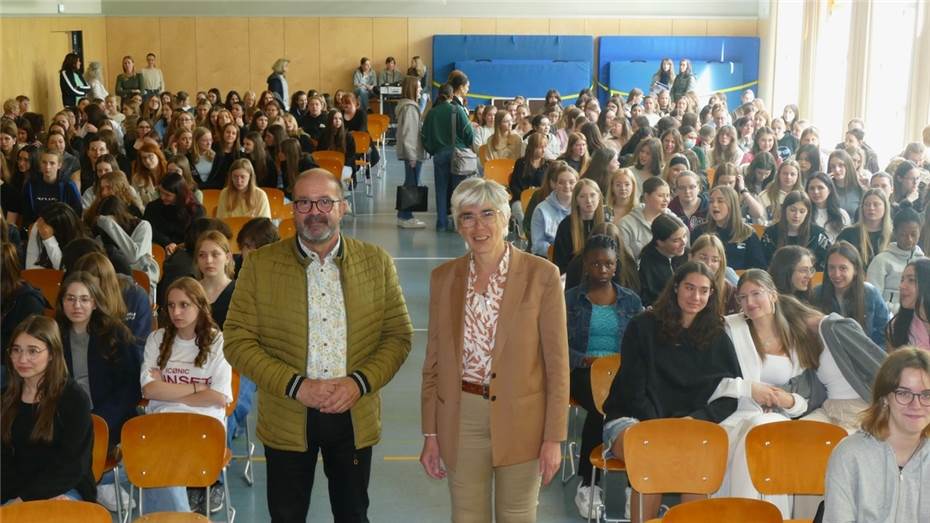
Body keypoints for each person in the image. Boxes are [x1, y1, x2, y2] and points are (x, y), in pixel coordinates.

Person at [224, 169, 413, 522]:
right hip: (287, 414)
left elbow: (398, 336)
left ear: (342, 207)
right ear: (292, 210)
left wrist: (359, 382)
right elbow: (237, 340)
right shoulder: (260, 266)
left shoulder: (377, 262)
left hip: (354, 412)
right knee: (286, 515)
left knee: (353, 513)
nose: (315, 211)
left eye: (325, 201)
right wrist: (296, 386)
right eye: (305, 202)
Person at [419, 177, 568, 522]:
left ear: (505, 218)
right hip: (461, 415)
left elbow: (557, 366)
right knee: (467, 515)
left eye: (487, 213)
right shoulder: (443, 278)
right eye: (467, 216)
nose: (478, 225)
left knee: (517, 515)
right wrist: (430, 434)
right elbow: (434, 363)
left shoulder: (542, 276)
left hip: (524, 417)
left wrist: (553, 438)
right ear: (458, 226)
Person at [602, 261, 742, 522]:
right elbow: (633, 392)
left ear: (712, 294)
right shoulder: (642, 326)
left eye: (703, 290)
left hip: (689, 427)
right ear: (676, 287)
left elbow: (730, 395)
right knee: (653, 454)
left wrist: (694, 421)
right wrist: (665, 430)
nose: (696, 297)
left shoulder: (717, 336)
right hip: (633, 421)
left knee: (697, 460)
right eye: (689, 288)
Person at [711, 270, 817, 517]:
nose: (749, 302)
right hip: (737, 416)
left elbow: (803, 402)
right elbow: (710, 383)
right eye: (743, 297)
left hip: (779, 419)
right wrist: (750, 389)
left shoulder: (795, 336)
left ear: (773, 295)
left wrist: (786, 400)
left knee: (766, 429)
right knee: (759, 430)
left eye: (756, 294)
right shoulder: (730, 329)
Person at [565, 234, 643, 518]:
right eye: (596, 263)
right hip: (582, 371)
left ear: (616, 265)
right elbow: (557, 344)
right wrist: (583, 359)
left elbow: (639, 344)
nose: (602, 269)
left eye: (608, 264)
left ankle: (634, 486)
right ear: (586, 264)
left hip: (620, 371)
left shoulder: (631, 300)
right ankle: (588, 484)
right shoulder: (571, 299)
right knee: (602, 409)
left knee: (640, 410)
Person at [140, 277, 232, 514]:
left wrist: (167, 391)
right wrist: (197, 389)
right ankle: (182, 512)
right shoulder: (157, 339)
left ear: (200, 306)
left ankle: (179, 511)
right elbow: (149, 390)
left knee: (162, 460)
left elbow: (219, 397)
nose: (176, 312)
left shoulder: (217, 341)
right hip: (163, 424)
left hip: (204, 427)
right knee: (156, 453)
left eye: (184, 305)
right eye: (170, 305)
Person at [56, 271, 140, 510]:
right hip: (67, 416)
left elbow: (131, 386)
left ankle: (94, 484)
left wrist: (101, 417)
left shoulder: (116, 333)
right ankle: (88, 487)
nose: (77, 305)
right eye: (70, 299)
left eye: (84, 299)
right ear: (62, 302)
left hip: (108, 416)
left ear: (95, 302)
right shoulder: (53, 334)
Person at [822, 348, 930, 522]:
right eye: (903, 393)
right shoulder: (849, 454)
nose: (916, 404)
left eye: (927, 394)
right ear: (885, 398)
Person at [1, 315, 95, 504]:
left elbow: (73, 466)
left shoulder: (74, 399)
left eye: (33, 351)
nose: (22, 359)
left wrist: (24, 500)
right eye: (16, 350)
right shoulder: (5, 398)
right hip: (15, 490)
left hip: (64, 488)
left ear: (52, 354)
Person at [421, 77, 474, 232]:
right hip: (458, 155)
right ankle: (459, 224)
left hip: (439, 155)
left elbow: (424, 136)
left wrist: (433, 150)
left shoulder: (432, 113)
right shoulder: (456, 110)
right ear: (452, 96)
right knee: (458, 191)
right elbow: (468, 133)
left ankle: (441, 223)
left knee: (441, 190)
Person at [815, 241, 890, 346]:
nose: (836, 274)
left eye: (843, 268)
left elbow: (883, 331)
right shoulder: (817, 294)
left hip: (865, 355)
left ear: (855, 270)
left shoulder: (870, 293)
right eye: (831, 268)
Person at [867, 207, 926, 314]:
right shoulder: (881, 261)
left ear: (920, 231)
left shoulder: (925, 263)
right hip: (889, 317)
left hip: (920, 317)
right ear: (894, 233)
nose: (909, 239)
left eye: (913, 234)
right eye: (903, 234)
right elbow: (873, 299)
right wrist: (897, 310)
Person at [692, 185, 766, 269]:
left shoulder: (747, 233)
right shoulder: (700, 231)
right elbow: (692, 262)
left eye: (720, 201)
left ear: (732, 205)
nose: (714, 205)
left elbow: (759, 268)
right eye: (711, 201)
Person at [761, 190, 831, 269]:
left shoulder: (818, 235)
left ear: (808, 213)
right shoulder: (770, 233)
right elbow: (763, 263)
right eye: (792, 210)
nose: (797, 215)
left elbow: (826, 262)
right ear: (784, 210)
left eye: (802, 211)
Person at [143, 172, 206, 256]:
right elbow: (149, 229)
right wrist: (167, 243)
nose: (162, 197)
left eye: (167, 195)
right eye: (161, 192)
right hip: (159, 248)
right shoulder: (152, 207)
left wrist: (176, 246)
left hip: (187, 251)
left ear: (180, 195)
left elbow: (196, 236)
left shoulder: (196, 210)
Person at [394, 75, 427, 229]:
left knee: (410, 182)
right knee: (411, 184)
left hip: (412, 152)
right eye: (418, 86)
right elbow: (409, 133)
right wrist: (412, 156)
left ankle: (404, 215)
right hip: (412, 153)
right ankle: (406, 216)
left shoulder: (409, 106)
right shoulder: (410, 108)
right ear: (412, 88)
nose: (420, 89)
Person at [552, 179, 606, 272]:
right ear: (576, 200)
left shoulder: (607, 223)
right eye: (582, 196)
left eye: (592, 195)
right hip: (574, 277)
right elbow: (560, 263)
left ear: (599, 197)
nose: (588, 200)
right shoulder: (566, 225)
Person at [638, 214, 689, 307]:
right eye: (676, 240)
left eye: (684, 236)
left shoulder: (687, 254)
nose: (684, 243)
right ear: (660, 242)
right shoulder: (646, 263)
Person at [618, 176, 673, 259]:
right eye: (661, 195)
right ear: (646, 196)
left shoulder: (673, 219)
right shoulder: (626, 224)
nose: (666, 200)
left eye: (668, 195)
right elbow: (624, 258)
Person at [837, 188, 893, 268]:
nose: (871, 208)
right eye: (867, 204)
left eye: (876, 204)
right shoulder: (848, 234)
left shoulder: (894, 236)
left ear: (885, 207)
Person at [887, 259, 930, 352]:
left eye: (911, 280)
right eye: (902, 280)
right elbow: (893, 365)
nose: (902, 286)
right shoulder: (896, 326)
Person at [691, 233, 740, 314]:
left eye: (715, 260)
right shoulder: (680, 284)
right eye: (703, 258)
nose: (708, 264)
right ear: (691, 257)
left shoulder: (730, 291)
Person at [807, 172, 851, 242]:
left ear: (829, 190)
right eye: (811, 188)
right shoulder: (804, 213)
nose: (816, 192)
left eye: (820, 188)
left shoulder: (842, 214)